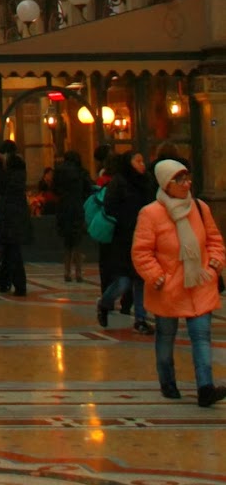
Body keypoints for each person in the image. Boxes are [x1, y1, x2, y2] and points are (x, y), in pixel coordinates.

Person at [132, 159, 226, 406]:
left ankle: (206, 388)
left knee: (201, 336)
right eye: (180, 179)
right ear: (166, 183)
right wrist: (157, 277)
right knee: (165, 335)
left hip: (200, 283)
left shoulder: (200, 208)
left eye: (187, 178)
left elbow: (214, 240)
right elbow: (142, 252)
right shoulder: (151, 213)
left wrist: (214, 265)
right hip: (169, 287)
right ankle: (168, 382)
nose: (187, 183)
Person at [97, 150, 154, 332]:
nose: (142, 164)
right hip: (123, 240)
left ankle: (140, 319)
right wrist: (125, 220)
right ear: (128, 163)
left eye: (142, 161)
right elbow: (109, 207)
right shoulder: (119, 182)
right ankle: (104, 303)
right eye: (138, 161)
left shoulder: (147, 181)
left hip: (143, 237)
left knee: (141, 280)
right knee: (124, 281)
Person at [0, 150, 32, 296]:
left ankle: (14, 284)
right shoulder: (21, 178)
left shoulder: (6, 177)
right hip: (18, 219)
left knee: (8, 251)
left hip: (6, 219)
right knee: (11, 251)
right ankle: (5, 281)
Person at [53, 149, 92, 281]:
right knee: (77, 241)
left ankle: (67, 271)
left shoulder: (59, 171)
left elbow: (55, 189)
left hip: (63, 208)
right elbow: (88, 189)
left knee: (67, 242)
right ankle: (78, 272)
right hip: (77, 207)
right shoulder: (82, 172)